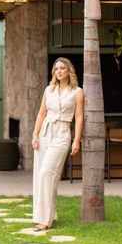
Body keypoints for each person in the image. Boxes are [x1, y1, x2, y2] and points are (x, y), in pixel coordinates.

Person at [31, 57, 84, 231]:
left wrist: (76, 140)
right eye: (56, 69)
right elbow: (41, 113)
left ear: (69, 70)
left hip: (62, 134)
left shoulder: (77, 92)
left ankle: (45, 221)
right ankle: (47, 216)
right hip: (45, 133)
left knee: (47, 173)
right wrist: (35, 134)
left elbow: (79, 117)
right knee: (42, 176)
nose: (59, 71)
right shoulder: (49, 90)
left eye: (62, 68)